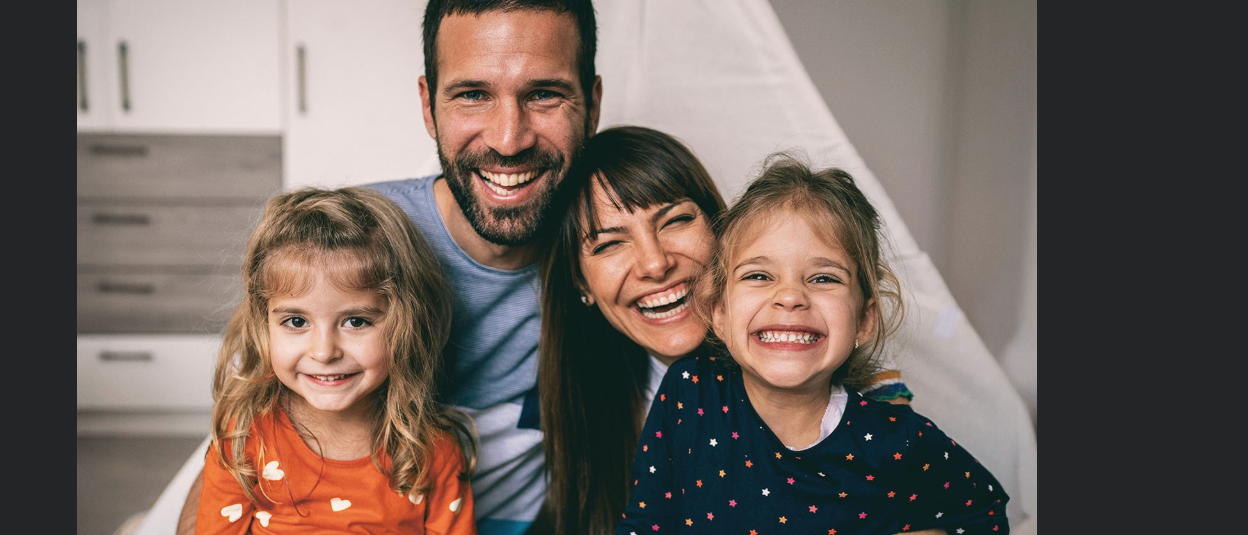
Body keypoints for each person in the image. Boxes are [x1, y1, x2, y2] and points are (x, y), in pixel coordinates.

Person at [169, 2, 603, 534]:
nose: (507, 138)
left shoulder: (617, 252)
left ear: (593, 103)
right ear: (428, 106)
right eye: (472, 94)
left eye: (543, 94)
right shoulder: (350, 244)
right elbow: (243, 434)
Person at [533, 126, 913, 535]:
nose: (655, 264)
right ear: (581, 283)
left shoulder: (837, 382)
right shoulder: (581, 400)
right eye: (609, 244)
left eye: (676, 220)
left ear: (723, 230)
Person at [615, 154, 1010, 535]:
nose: (790, 297)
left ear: (864, 320)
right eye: (758, 276)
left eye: (824, 279)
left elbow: (983, 515)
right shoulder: (689, 392)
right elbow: (643, 525)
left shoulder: (897, 438)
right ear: (718, 312)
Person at [195, 187, 476, 534]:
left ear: (407, 323)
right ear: (263, 324)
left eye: (356, 321)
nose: (324, 352)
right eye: (296, 322)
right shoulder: (245, 436)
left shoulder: (434, 452)